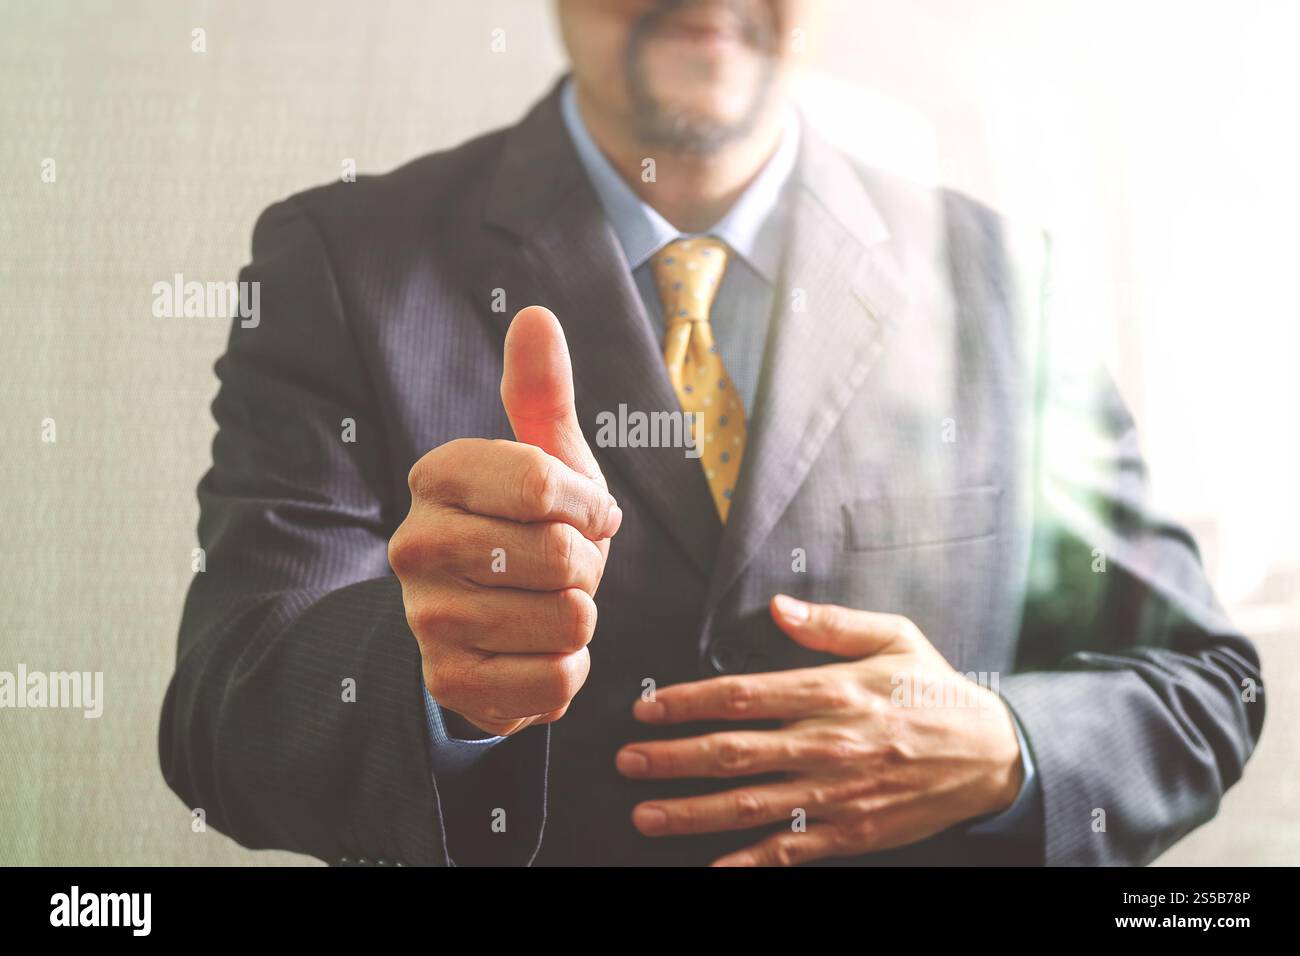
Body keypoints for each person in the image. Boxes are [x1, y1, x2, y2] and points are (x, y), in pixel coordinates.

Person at [159, 0, 1263, 866]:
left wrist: (1005, 747)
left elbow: (1198, 681)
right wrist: (439, 681)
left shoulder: (1008, 284)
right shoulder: (343, 259)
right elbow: (222, 716)